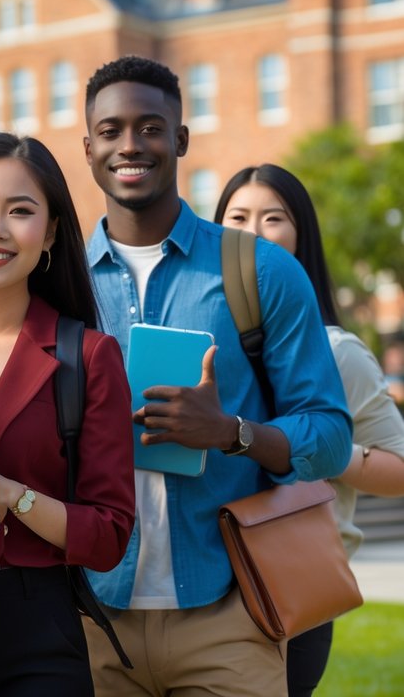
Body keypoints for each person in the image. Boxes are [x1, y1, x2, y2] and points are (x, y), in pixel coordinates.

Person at [79, 56, 352, 697]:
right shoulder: (57, 283)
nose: (130, 145)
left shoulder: (261, 271)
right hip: (92, 620)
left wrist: (232, 432)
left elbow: (332, 435)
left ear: (180, 139)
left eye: (150, 127)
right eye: (111, 130)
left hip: (230, 614)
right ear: (88, 146)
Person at [0, 133, 135, 695]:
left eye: (20, 211)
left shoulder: (87, 356)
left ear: (51, 234)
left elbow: (110, 534)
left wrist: (9, 494)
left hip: (32, 630)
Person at [215, 163, 404, 697]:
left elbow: (399, 469)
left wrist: (316, 443)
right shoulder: (194, 341)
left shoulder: (336, 352)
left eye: (272, 218)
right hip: (193, 586)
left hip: (288, 588)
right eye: (238, 216)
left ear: (300, 236)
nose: (252, 231)